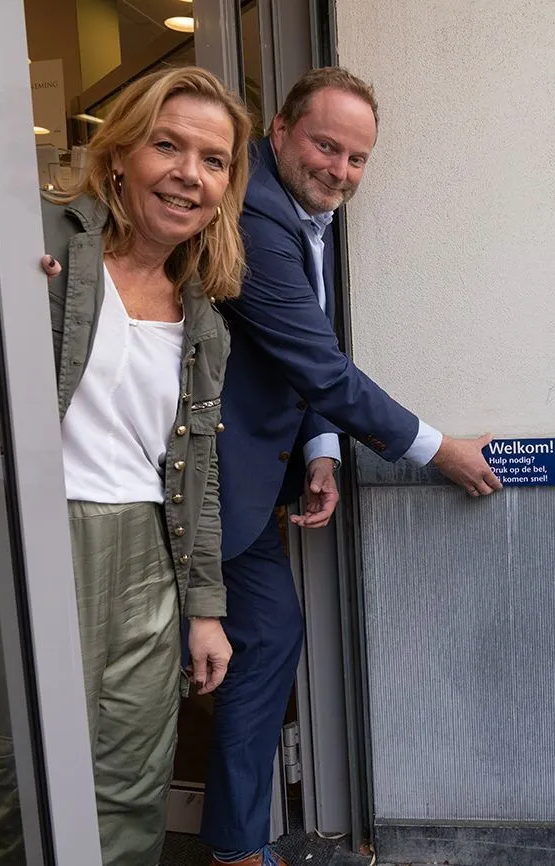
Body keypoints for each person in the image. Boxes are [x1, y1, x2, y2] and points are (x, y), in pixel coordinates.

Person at [202, 67, 501, 866]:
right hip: (203, 491)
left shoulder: (305, 211)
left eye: (357, 158)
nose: (339, 170)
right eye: (325, 146)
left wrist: (322, 451)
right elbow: (321, 368)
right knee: (225, 651)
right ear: (278, 134)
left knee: (265, 639)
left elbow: (306, 359)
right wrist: (438, 451)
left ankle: (235, 847)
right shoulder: (258, 217)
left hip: (257, 480)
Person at [29, 66, 247, 863]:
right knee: (15, 786)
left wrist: (206, 609)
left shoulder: (202, 317)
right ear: (120, 154)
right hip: (31, 544)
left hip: (147, 561)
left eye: (214, 160)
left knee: (129, 790)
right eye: (168, 145)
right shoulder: (45, 255)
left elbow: (199, 474)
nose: (190, 174)